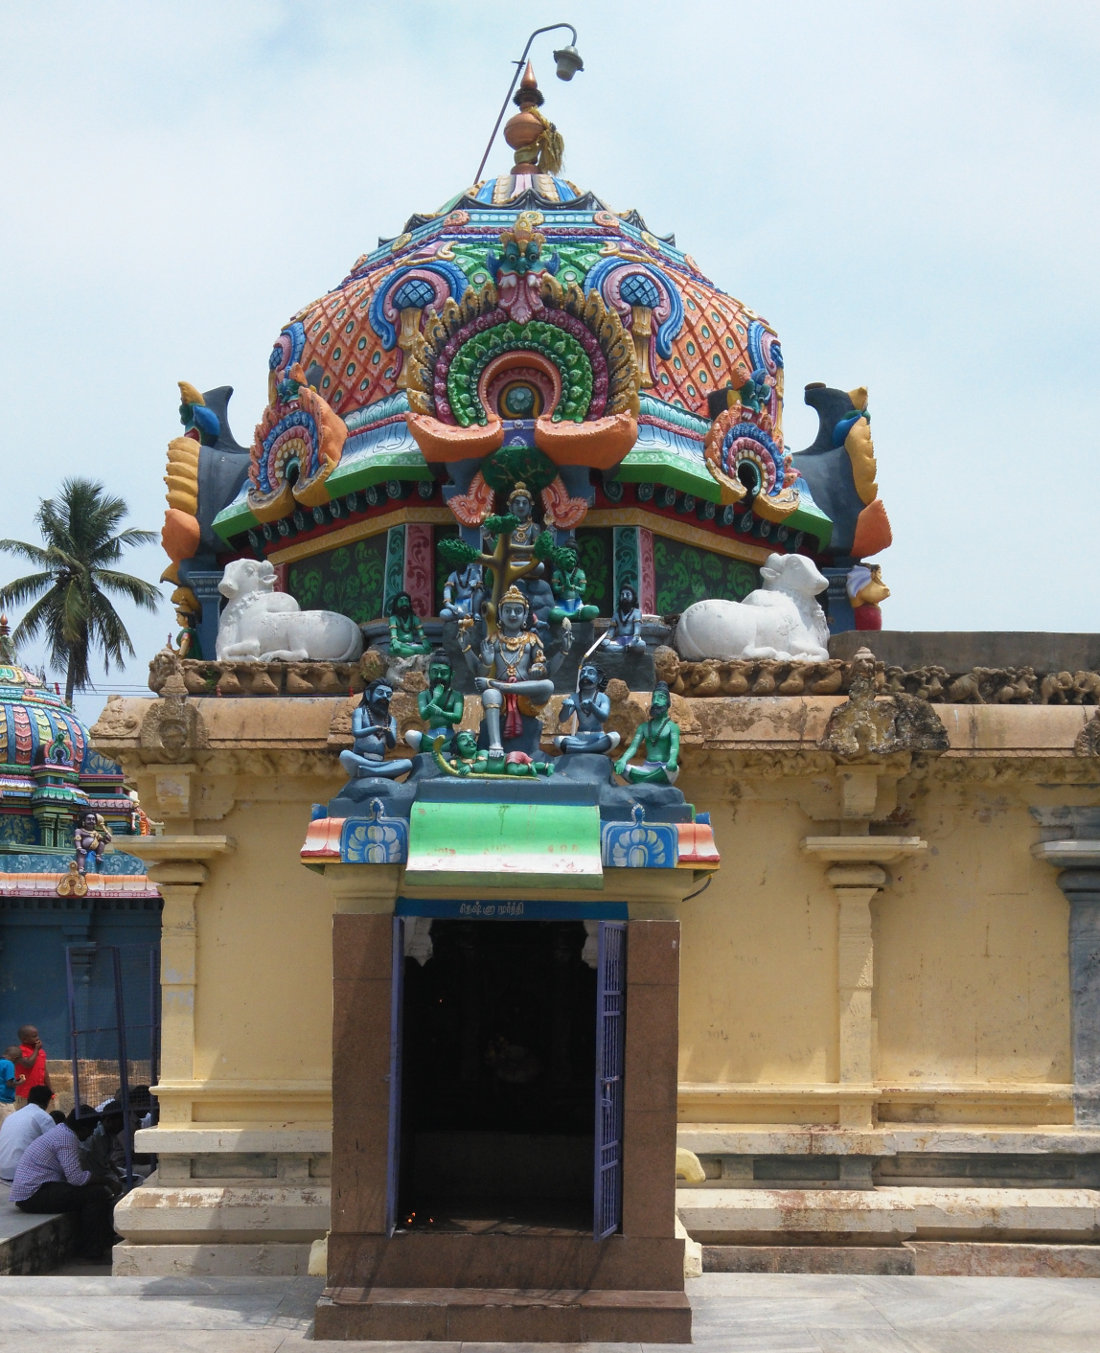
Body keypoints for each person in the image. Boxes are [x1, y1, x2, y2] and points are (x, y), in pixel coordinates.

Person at [10, 1106, 117, 1261]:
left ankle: (99, 1242)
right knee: (97, 1194)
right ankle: (93, 1251)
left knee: (91, 1193)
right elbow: (76, 1178)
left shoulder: (61, 1131)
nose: (91, 1134)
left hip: (36, 1190)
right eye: (91, 1129)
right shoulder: (66, 1138)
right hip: (34, 1194)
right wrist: (107, 1181)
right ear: (82, 1128)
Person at [462, 585, 555, 759]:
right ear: (500, 614)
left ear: (525, 614)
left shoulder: (532, 639)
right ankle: (495, 744)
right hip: (501, 698)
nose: (513, 615)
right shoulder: (493, 639)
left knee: (548, 685)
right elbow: (481, 672)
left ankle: (500, 686)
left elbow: (541, 665)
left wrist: (537, 669)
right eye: (508, 610)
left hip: (525, 695)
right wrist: (487, 661)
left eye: (518, 611)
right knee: (490, 694)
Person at [338, 680, 413, 780]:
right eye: (380, 693)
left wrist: (388, 733)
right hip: (361, 759)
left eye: (389, 695)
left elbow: (391, 745)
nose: (385, 697)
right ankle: (380, 771)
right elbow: (356, 733)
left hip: (379, 761)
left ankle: (371, 771)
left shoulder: (390, 720)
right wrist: (374, 729)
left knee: (407, 763)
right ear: (369, 694)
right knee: (345, 755)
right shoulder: (361, 712)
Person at [614, 681, 681, 784]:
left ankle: (649, 780)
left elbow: (674, 747)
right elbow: (633, 747)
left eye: (661, 697)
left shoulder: (672, 727)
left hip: (664, 767)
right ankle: (648, 779)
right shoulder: (644, 727)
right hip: (647, 766)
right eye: (654, 698)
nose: (656, 701)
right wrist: (623, 760)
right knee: (624, 769)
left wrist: (672, 759)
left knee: (674, 769)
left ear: (668, 702)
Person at [555, 663, 621, 755]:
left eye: (590, 673)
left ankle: (580, 749)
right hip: (579, 737)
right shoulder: (574, 697)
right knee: (558, 740)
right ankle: (590, 749)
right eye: (583, 673)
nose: (585, 675)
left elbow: (604, 717)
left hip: (598, 737)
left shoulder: (603, 697)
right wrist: (566, 707)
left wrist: (592, 707)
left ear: (599, 678)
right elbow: (562, 719)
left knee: (615, 737)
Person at [405, 656, 465, 754]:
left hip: (449, 737)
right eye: (435, 672)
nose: (439, 676)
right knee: (410, 735)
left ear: (451, 675)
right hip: (431, 737)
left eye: (444, 673)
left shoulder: (456, 696)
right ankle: (437, 749)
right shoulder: (424, 695)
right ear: (429, 673)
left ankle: (434, 750)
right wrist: (436, 698)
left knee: (468, 734)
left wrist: (441, 713)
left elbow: (457, 718)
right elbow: (424, 716)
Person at [0, 1085, 55, 1184]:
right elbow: (57, 1146)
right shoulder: (44, 1117)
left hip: (3, 1171)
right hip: (22, 1174)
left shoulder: (11, 1116)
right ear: (47, 1102)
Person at [386, 591, 431, 657]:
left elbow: (422, 635)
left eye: (406, 601)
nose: (404, 603)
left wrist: (425, 642)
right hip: (400, 644)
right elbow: (394, 636)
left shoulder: (415, 619)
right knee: (392, 650)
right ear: (396, 604)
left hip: (412, 645)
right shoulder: (393, 619)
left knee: (428, 650)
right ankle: (411, 652)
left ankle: (410, 652)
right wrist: (395, 642)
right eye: (401, 601)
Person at [14, 1025, 50, 1107]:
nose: (37, 1038)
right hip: (25, 1093)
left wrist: (49, 1088)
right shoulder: (19, 1051)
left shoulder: (41, 1052)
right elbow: (28, 1064)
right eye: (34, 1036)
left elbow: (44, 1071)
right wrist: (36, 1050)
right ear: (25, 1039)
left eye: (37, 1035)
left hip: (40, 1091)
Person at [605, 582, 646, 653]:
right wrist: (607, 639)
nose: (624, 597)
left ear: (633, 597)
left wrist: (635, 639)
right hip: (620, 641)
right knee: (605, 647)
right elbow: (611, 630)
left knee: (641, 645)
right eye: (622, 594)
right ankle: (624, 649)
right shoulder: (616, 614)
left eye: (628, 595)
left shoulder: (636, 612)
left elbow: (637, 629)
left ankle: (624, 649)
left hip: (633, 640)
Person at [0, 1045, 18, 1119]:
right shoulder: (9, 1064)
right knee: (9, 1123)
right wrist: (20, 1083)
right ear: (15, 1058)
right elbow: (9, 1083)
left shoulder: (1, 1062)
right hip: (4, 1101)